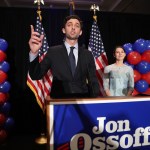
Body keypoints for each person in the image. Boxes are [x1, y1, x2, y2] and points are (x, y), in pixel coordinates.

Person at [28, 15, 100, 98]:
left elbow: (93, 81)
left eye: (77, 25)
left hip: (82, 101)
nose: (73, 27)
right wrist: (34, 53)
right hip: (59, 102)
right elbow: (35, 75)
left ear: (80, 32)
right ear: (63, 30)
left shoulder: (87, 54)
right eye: (69, 25)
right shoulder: (53, 52)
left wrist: (94, 103)